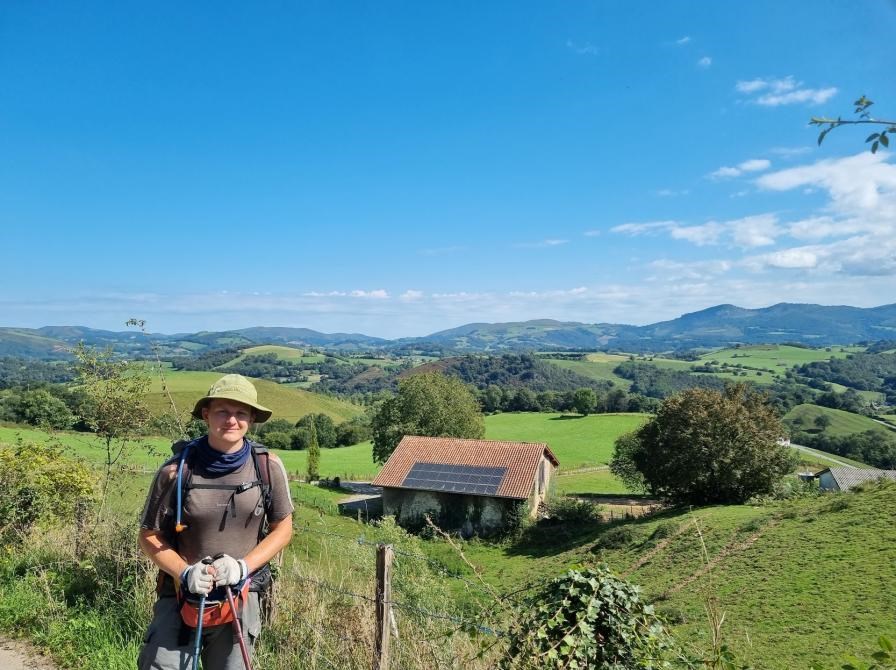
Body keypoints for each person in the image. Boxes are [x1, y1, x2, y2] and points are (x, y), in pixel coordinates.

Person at [138, 374, 293, 670]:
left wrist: (242, 567)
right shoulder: (176, 471)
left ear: (251, 419)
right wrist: (185, 573)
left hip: (241, 596)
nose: (232, 420)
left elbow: (283, 529)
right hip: (180, 595)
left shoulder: (267, 466)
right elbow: (149, 535)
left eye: (241, 413)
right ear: (206, 414)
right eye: (223, 411)